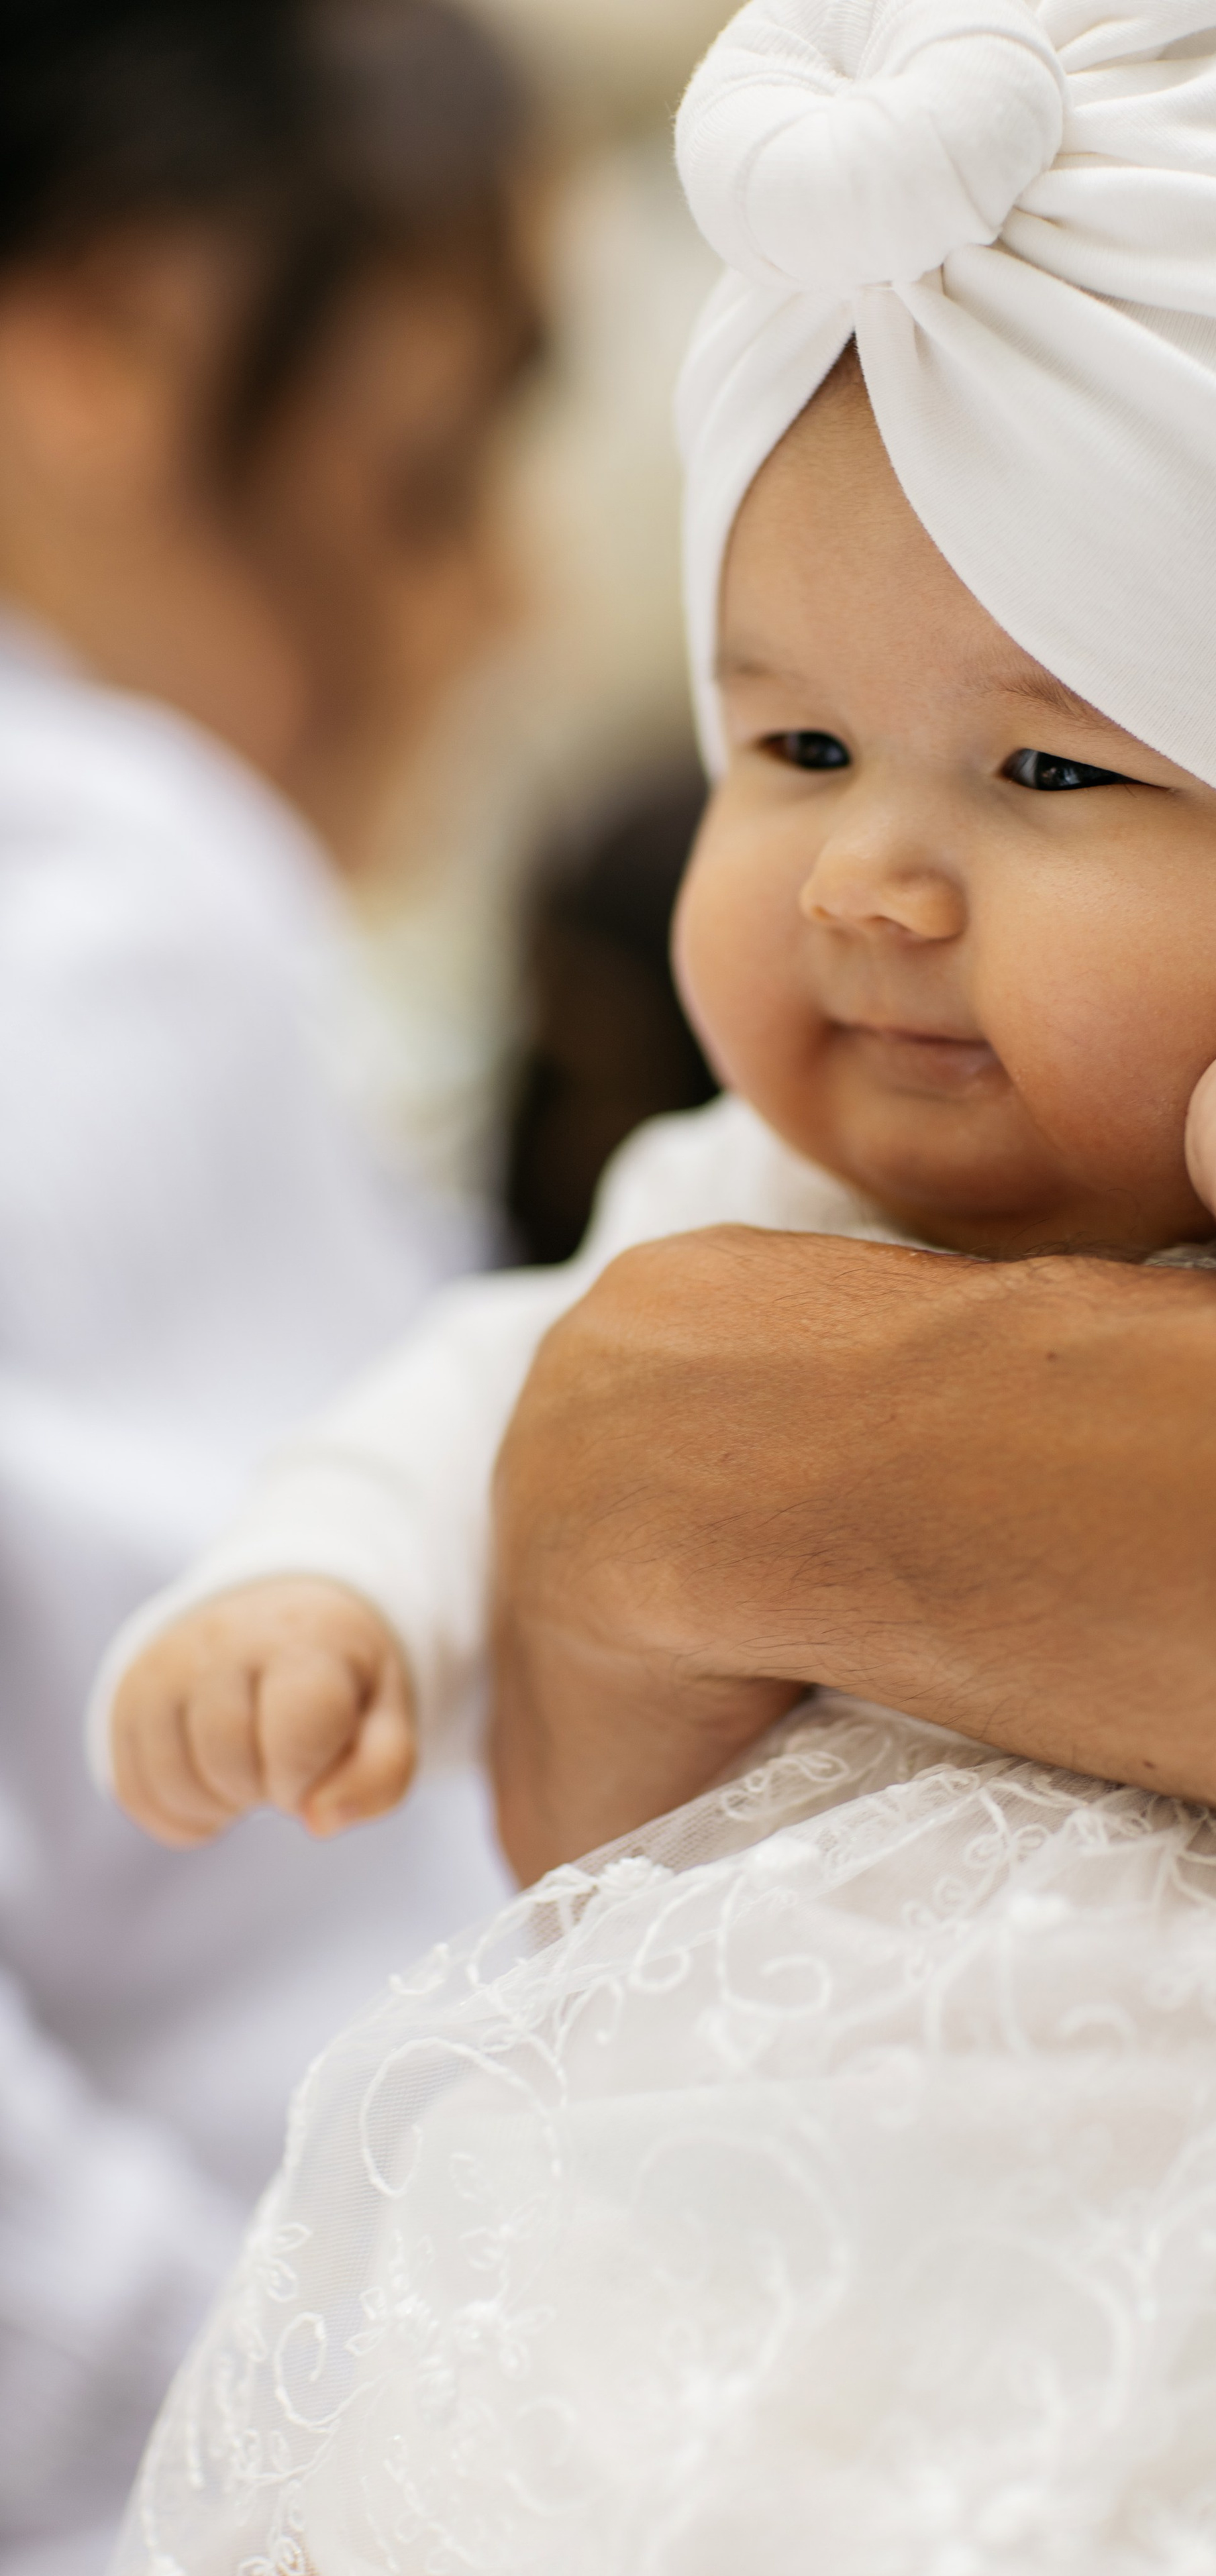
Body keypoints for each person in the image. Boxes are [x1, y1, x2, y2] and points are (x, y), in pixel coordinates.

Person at [97, 1, 1216, 2561]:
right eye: (797, 754)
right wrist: (330, 1577)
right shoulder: (746, 1187)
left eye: (1052, 771)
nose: (870, 880)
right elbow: (509, 1376)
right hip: (763, 2239)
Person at [0, 1, 534, 2562]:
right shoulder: (108, 899)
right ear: (98, 346)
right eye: (423, 480)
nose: (492, 604)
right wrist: (288, 2454)